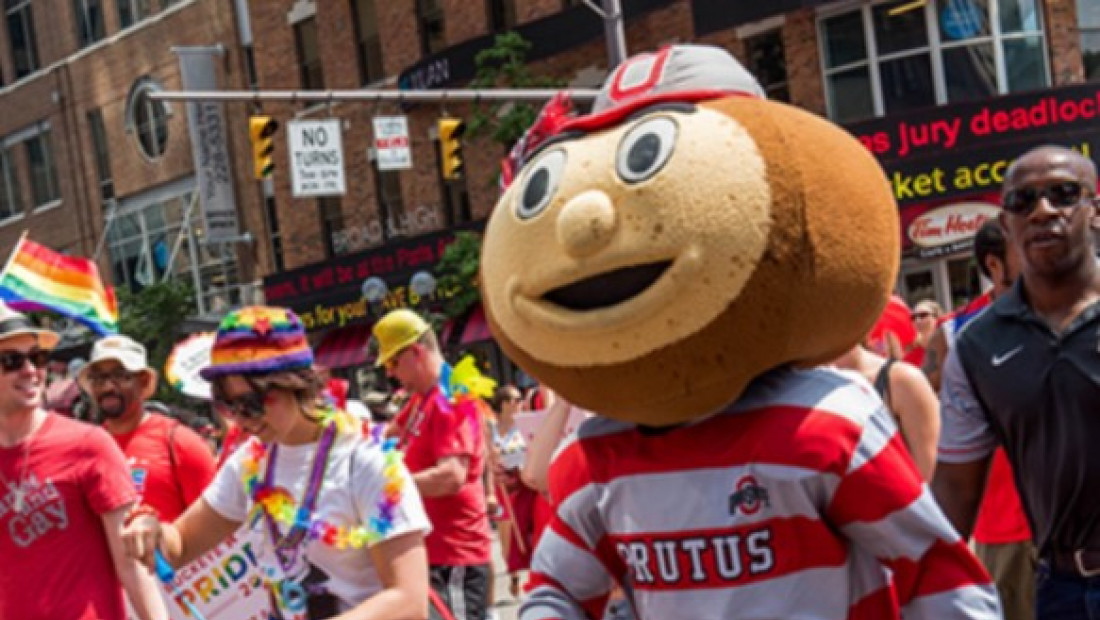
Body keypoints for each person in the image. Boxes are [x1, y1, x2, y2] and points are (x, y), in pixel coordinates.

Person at [123, 306, 430, 619]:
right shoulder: (251, 464)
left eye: (252, 403)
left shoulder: (365, 460)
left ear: (295, 383)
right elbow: (182, 544)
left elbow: (408, 600)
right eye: (229, 404)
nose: (241, 419)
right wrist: (152, 530)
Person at [933, 145, 1100, 619]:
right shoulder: (976, 346)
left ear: (1094, 212)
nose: (1043, 210)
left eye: (1063, 194)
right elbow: (955, 489)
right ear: (1006, 226)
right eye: (1022, 201)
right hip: (1061, 591)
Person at [0, 303, 167, 620]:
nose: (31, 370)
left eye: (37, 357)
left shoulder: (87, 444)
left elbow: (131, 564)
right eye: (12, 361)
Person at [374, 309, 493, 620]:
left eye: (392, 362)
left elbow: (451, 477)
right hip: (433, 552)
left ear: (415, 352)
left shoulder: (450, 397)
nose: (390, 373)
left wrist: (386, 486)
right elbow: (382, 436)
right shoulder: (419, 400)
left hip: (455, 555)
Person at [79, 334, 216, 522]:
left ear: (143, 381)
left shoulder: (180, 443)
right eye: (98, 378)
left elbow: (212, 526)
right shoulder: (86, 450)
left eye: (120, 376)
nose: (107, 387)